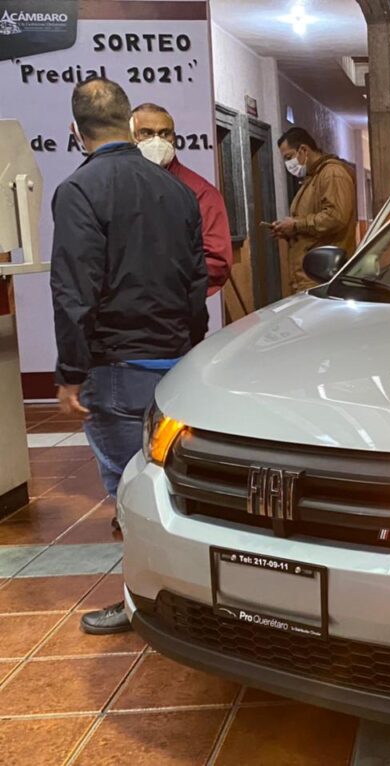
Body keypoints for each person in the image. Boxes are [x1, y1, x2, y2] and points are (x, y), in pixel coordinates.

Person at [49, 77, 208, 634]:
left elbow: (74, 289)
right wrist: (189, 352)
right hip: (174, 365)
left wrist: (70, 373)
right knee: (175, 491)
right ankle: (190, 598)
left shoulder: (80, 190)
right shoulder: (176, 190)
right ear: (129, 124)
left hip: (116, 367)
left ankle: (142, 604)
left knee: (129, 493)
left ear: (76, 131)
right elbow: (196, 283)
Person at [130, 102, 233, 296]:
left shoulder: (200, 191)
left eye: (165, 133)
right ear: (130, 137)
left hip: (175, 305)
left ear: (174, 138)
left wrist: (168, 291)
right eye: (146, 133)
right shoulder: (116, 186)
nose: (157, 140)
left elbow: (217, 261)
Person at [272, 127, 357, 294]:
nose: (288, 164)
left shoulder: (332, 173)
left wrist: (296, 224)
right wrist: (289, 230)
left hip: (324, 278)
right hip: (310, 277)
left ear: (303, 150)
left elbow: (336, 217)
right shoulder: (313, 178)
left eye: (289, 157)